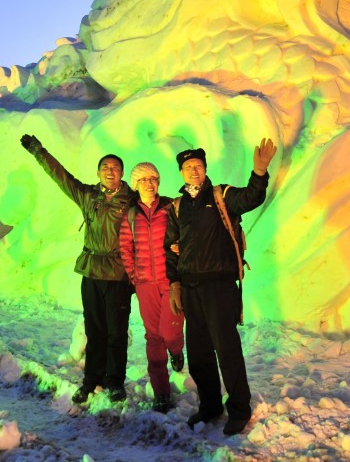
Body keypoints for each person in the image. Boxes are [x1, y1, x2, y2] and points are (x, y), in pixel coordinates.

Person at [165, 138, 277, 436]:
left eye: (198, 166)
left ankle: (239, 408)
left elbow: (251, 197)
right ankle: (210, 405)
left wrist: (260, 171)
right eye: (188, 167)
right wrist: (175, 284)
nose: (194, 171)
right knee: (199, 353)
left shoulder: (221, 196)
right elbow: (169, 249)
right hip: (190, 289)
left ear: (205, 169)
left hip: (219, 287)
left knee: (226, 350)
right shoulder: (176, 207)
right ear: (181, 172)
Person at [20, 134, 134, 404]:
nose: (110, 171)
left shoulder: (133, 200)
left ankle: (115, 382)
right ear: (98, 173)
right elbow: (61, 177)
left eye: (115, 168)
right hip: (91, 270)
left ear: (122, 173)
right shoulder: (87, 196)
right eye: (105, 167)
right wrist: (40, 152)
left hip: (119, 273)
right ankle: (91, 379)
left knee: (116, 331)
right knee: (94, 330)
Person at [118, 162, 186, 413]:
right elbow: (125, 246)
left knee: (170, 332)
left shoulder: (171, 208)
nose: (149, 183)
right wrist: (134, 275)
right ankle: (161, 392)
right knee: (153, 337)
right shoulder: (131, 215)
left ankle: (177, 351)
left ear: (158, 182)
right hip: (145, 283)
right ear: (135, 185)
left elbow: (185, 234)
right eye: (143, 179)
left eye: (153, 178)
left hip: (171, 280)